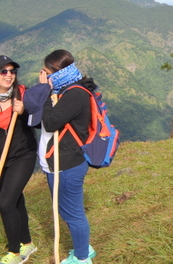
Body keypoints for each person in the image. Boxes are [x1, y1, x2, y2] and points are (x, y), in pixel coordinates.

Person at [36, 50, 96, 264]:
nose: (45, 75)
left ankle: (81, 258)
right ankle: (82, 248)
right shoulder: (68, 90)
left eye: (48, 72)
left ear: (58, 72)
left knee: (73, 213)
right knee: (69, 210)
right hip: (63, 161)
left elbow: (51, 122)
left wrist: (44, 91)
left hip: (67, 164)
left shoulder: (74, 94)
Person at [0, 56, 37, 264]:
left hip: (23, 155)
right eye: (3, 71)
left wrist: (24, 112)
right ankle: (28, 244)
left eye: (12, 71)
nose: (9, 75)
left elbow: (40, 118)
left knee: (4, 203)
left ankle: (14, 253)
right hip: (2, 158)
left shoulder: (23, 94)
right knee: (15, 199)